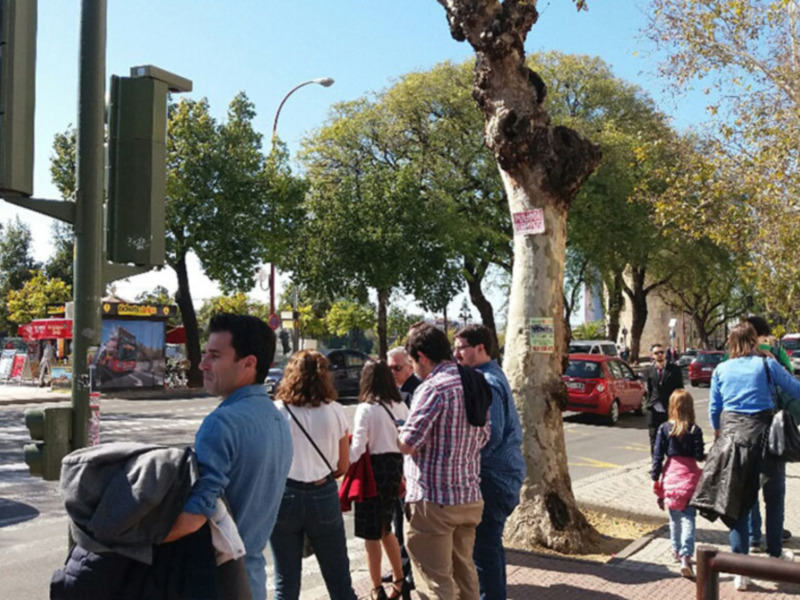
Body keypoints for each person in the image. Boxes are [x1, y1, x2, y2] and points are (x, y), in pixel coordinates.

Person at [165, 313, 293, 600]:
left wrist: (134, 540)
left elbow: (196, 515)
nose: (202, 364)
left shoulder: (222, 422)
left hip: (217, 583)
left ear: (249, 364)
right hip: (253, 580)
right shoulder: (276, 419)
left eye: (214, 356)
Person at [691, 322, 800, 592]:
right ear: (753, 341)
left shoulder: (721, 369)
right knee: (773, 497)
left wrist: (719, 435)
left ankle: (740, 568)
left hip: (731, 440)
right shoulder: (766, 365)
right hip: (765, 440)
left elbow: (715, 409)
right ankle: (774, 555)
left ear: (730, 343)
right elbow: (795, 389)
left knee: (737, 501)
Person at [398, 322, 490, 600]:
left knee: (435, 583)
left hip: (433, 501)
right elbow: (485, 436)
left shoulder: (434, 388)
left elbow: (408, 443)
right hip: (468, 495)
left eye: (413, 362)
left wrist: (398, 430)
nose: (414, 369)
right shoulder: (473, 381)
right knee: (465, 577)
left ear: (422, 357)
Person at [270, 350, 357, 600]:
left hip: (285, 495)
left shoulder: (277, 411)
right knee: (339, 579)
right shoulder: (336, 410)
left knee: (285, 583)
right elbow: (342, 466)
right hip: (323, 493)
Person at [454, 324, 525, 600]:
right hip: (500, 477)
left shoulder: (487, 382)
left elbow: (491, 435)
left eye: (460, 347)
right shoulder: (486, 376)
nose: (456, 354)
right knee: (490, 549)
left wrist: (461, 457)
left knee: (484, 551)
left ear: (479, 348)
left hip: (494, 480)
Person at [350, 360, 411, 600]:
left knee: (371, 534)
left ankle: (377, 588)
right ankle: (399, 579)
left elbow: (356, 451)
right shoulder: (400, 406)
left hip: (373, 471)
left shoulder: (366, 409)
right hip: (395, 468)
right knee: (387, 527)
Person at [744, 315, 796, 550]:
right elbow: (791, 389)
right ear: (758, 336)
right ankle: (774, 547)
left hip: (742, 437)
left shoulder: (728, 362)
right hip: (773, 434)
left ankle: (754, 538)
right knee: (774, 494)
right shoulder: (771, 359)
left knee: (749, 492)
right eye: (765, 337)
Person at [651, 389, 705, 579]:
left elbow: (657, 456)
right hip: (690, 478)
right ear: (690, 407)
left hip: (671, 477)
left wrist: (655, 479)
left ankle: (675, 550)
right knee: (689, 518)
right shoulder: (694, 430)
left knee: (674, 519)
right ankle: (686, 555)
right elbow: (699, 456)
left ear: (671, 407)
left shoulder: (664, 428)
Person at [384, 346, 421, 588]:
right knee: (397, 522)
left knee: (409, 524)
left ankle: (408, 572)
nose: (393, 372)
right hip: (396, 465)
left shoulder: (416, 391)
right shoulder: (395, 390)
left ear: (410, 366)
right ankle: (401, 568)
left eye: (397, 368)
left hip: (409, 467)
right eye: (389, 368)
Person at [644, 343, 684, 456]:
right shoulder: (650, 371)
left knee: (671, 437)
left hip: (670, 409)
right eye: (656, 353)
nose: (660, 355)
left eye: (662, 352)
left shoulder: (674, 370)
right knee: (653, 437)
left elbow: (680, 390)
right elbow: (650, 389)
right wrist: (650, 404)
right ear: (652, 356)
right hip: (654, 410)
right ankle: (655, 464)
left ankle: (671, 463)